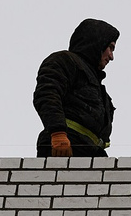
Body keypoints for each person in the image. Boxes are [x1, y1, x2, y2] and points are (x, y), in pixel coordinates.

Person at [33, 18, 117, 159]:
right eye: (110, 47)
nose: (111, 56)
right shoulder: (65, 61)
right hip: (65, 145)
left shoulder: (99, 89)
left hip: (88, 150)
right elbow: (47, 94)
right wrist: (58, 133)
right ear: (98, 43)